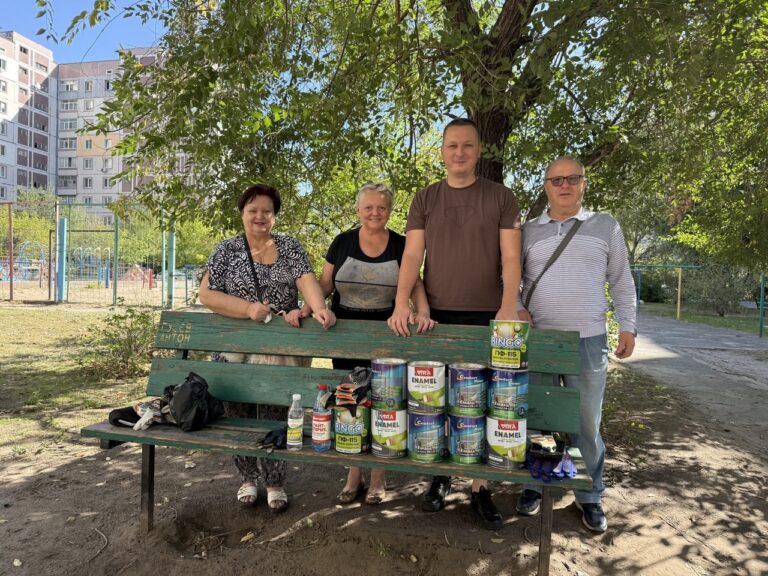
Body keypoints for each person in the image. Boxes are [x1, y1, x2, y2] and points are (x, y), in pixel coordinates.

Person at [388, 118, 523, 531]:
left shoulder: (501, 197)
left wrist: (508, 307)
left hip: (489, 316)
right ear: (443, 152)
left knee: (483, 404)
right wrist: (402, 303)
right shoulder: (425, 198)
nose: (459, 153)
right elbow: (413, 256)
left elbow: (511, 257)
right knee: (437, 401)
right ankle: (440, 477)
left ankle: (480, 487)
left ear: (479, 151)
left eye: (467, 145)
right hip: (435, 318)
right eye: (452, 146)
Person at [515, 156, 636, 533]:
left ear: (584, 183)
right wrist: (518, 307)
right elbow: (511, 279)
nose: (564, 185)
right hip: (541, 340)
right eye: (556, 180)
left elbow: (621, 279)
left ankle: (589, 495)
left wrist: (628, 326)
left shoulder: (605, 225)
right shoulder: (527, 231)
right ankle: (537, 484)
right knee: (541, 418)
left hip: (589, 341)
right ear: (546, 187)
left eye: (572, 178)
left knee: (586, 421)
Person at [199, 183, 336, 513]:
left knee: (276, 412)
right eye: (253, 210)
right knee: (239, 413)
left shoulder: (289, 247)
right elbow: (207, 294)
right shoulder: (226, 250)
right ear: (242, 214)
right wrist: (248, 309)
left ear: (274, 216)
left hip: (280, 347)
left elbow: (306, 280)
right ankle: (247, 477)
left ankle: (275, 481)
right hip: (234, 346)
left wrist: (318, 308)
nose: (259, 216)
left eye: (266, 211)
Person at [306, 182, 434, 505]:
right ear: (358, 210)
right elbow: (324, 285)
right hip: (345, 336)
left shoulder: (401, 244)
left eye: (382, 207)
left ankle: (378, 475)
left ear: (389, 211)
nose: (375, 213)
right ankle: (354, 473)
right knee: (350, 402)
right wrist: (307, 308)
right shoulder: (342, 242)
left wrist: (423, 313)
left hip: (389, 334)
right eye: (368, 207)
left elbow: (415, 285)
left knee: (382, 403)